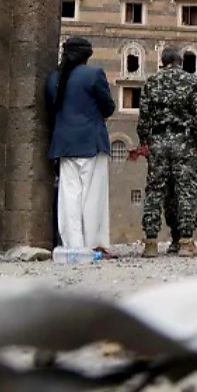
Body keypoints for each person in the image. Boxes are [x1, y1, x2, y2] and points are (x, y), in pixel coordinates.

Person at [135, 46, 197, 258]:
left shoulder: (151, 82)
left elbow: (143, 117)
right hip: (185, 142)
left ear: (162, 62)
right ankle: (186, 242)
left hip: (158, 141)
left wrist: (144, 141)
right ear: (181, 61)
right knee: (186, 190)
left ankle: (150, 243)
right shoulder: (191, 81)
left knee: (155, 191)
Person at [45, 37, 116, 250]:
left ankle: (73, 245)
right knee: (93, 196)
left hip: (64, 144)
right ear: (87, 55)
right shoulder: (94, 74)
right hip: (91, 142)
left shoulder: (53, 78)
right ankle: (94, 244)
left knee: (69, 197)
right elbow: (108, 108)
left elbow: (51, 109)